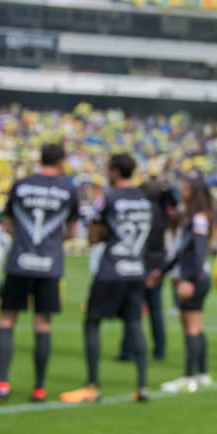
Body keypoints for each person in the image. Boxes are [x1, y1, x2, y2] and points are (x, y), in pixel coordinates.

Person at [0, 142, 81, 405]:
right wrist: (52, 241)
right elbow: (72, 231)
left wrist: (24, 237)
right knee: (43, 324)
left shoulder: (21, 185)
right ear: (61, 162)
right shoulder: (69, 189)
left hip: (19, 262)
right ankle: (39, 389)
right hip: (49, 265)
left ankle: (1, 383)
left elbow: (8, 223)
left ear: (40, 158)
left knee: (6, 320)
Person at [61, 153, 155, 404]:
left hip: (112, 269)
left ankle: (92, 385)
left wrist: (101, 235)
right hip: (136, 269)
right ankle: (142, 386)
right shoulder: (144, 200)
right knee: (134, 324)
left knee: (92, 322)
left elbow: (93, 235)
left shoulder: (108, 197)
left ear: (115, 171)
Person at [160, 176, 213, 394]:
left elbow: (198, 252)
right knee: (197, 326)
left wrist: (189, 279)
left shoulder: (198, 217)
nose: (182, 190)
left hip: (194, 277)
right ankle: (202, 373)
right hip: (196, 276)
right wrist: (162, 271)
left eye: (186, 188)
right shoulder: (194, 216)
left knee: (190, 328)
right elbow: (182, 251)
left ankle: (189, 377)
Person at [118, 175, 178, 363]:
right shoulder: (162, 212)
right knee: (155, 310)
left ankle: (127, 350)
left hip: (140, 263)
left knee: (133, 310)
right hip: (157, 264)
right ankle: (159, 349)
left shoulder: (142, 212)